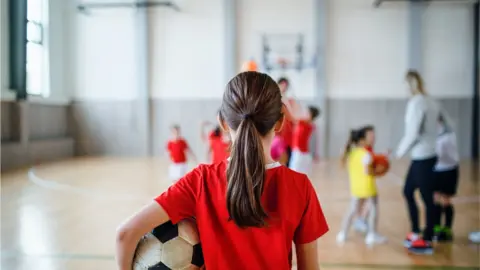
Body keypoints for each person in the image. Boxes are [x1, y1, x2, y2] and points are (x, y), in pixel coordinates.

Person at [115, 71, 329, 270]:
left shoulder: (200, 181)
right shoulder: (300, 186)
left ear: (223, 123)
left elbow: (125, 234)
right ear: (281, 121)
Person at [396, 70, 450, 255]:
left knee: (428, 199)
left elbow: (412, 133)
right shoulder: (432, 101)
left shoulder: (417, 102)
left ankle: (427, 239)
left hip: (423, 157)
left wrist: (398, 152)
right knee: (408, 191)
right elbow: (448, 126)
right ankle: (416, 231)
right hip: (426, 155)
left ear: (409, 84)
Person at [336, 127, 387, 246]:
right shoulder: (366, 154)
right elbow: (368, 171)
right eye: (370, 136)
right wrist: (379, 170)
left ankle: (342, 233)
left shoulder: (352, 152)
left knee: (352, 209)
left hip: (355, 186)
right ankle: (372, 235)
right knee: (373, 208)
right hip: (367, 185)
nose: (373, 138)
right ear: (362, 139)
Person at [433, 114, 459, 242]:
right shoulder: (434, 134)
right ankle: (437, 228)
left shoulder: (448, 135)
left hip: (449, 169)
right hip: (437, 170)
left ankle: (447, 229)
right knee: (436, 198)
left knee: (446, 200)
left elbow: (441, 154)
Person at [289, 106, 320, 175]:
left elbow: (292, 115)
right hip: (301, 153)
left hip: (301, 154)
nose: (304, 113)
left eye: (307, 113)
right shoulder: (306, 124)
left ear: (310, 115)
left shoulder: (306, 124)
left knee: (295, 174)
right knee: (296, 174)